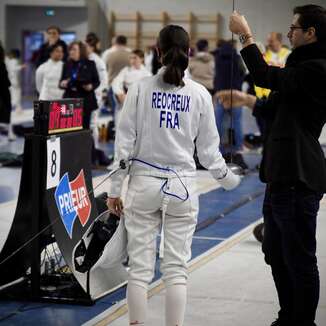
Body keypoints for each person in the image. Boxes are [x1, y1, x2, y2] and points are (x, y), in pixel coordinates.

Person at [106, 25, 241, 326]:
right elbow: (208, 153)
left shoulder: (139, 88)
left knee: (139, 271)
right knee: (176, 270)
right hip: (182, 188)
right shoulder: (199, 95)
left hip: (143, 187)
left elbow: (124, 145)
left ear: (157, 52)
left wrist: (115, 190)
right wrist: (228, 179)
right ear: (189, 52)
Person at [221, 5, 326, 326]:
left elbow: (266, 75)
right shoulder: (300, 70)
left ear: (311, 33)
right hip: (280, 176)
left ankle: (301, 322)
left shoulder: (317, 68)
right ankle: (287, 317)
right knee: (276, 252)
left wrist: (245, 35)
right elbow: (272, 108)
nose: (289, 31)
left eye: (294, 27)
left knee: (299, 258)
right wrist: (245, 101)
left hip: (298, 175)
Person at [213, 39, 247, 169]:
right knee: (237, 122)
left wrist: (219, 93)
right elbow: (242, 74)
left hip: (221, 94)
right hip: (235, 94)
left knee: (218, 124)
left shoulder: (217, 58)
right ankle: (238, 150)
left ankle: (219, 150)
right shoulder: (238, 58)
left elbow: (217, 78)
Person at [60, 41, 100, 130]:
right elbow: (61, 82)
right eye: (70, 50)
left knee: (84, 129)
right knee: (67, 128)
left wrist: (91, 86)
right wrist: (63, 83)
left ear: (81, 51)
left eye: (74, 49)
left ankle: (88, 144)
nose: (71, 52)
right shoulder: (66, 64)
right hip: (68, 99)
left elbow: (97, 81)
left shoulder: (90, 64)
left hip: (85, 100)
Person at [0, 42, 15, 141]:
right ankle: (9, 133)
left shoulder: (3, 63)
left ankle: (9, 133)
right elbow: (6, 82)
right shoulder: (2, 63)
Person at [5, 49, 25, 114]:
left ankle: (18, 108)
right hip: (14, 81)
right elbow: (14, 68)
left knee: (14, 94)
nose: (9, 55)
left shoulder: (10, 61)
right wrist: (21, 67)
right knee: (17, 94)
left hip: (11, 80)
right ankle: (17, 108)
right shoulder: (14, 61)